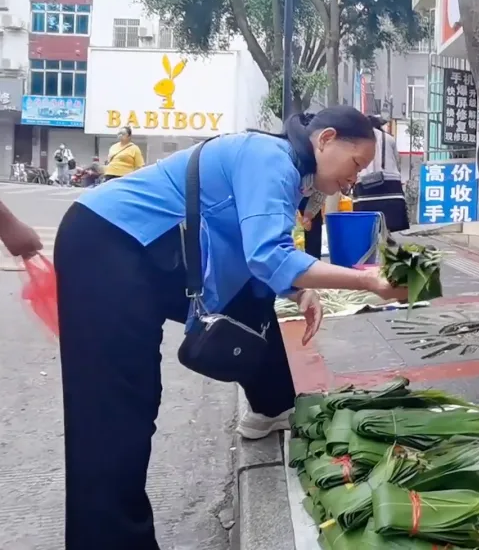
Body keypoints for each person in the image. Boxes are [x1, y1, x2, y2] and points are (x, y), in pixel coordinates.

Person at [54, 106, 408, 550]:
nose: (354, 180)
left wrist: (300, 291)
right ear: (326, 139)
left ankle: (271, 404)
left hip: (155, 255)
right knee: (116, 411)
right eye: (355, 163)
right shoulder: (271, 158)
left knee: (252, 299)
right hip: (110, 243)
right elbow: (267, 256)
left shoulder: (291, 171)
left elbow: (258, 250)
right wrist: (368, 281)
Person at [352, 115, 410, 235]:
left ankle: (371, 238)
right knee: (389, 214)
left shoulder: (358, 139)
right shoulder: (389, 138)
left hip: (364, 181)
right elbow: (396, 160)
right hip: (389, 181)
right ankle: (386, 236)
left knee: (366, 215)